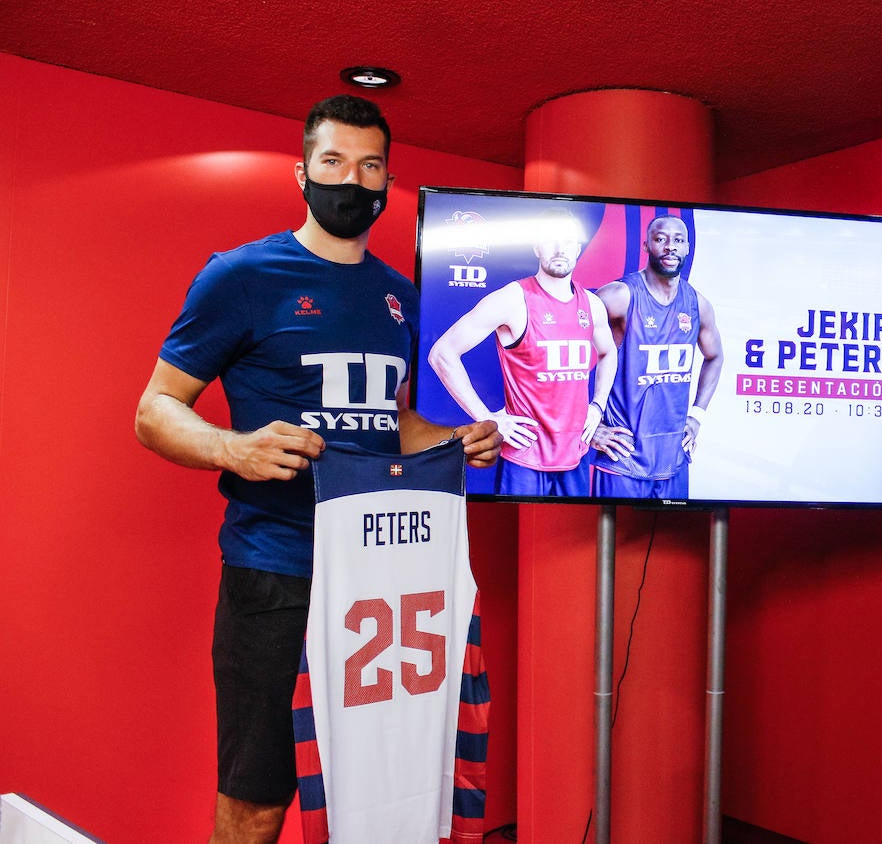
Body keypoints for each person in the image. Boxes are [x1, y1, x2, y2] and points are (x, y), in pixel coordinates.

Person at [133, 95, 500, 844]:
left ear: (387, 182)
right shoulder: (241, 276)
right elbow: (155, 410)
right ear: (302, 173)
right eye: (333, 162)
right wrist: (231, 446)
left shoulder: (403, 297)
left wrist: (454, 440)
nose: (351, 180)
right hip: (277, 569)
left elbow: (395, 422)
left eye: (369, 165)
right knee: (259, 792)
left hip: (384, 580)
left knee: (377, 787)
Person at [428, 207, 617, 496]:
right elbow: (442, 353)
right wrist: (487, 417)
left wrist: (598, 405)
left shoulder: (591, 305)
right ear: (537, 247)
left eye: (568, 241)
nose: (559, 248)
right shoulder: (513, 299)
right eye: (550, 240)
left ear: (578, 248)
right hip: (525, 460)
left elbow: (608, 353)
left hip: (575, 456)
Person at [589, 214, 724, 499]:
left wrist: (697, 415)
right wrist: (589, 425)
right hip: (622, 461)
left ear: (687, 247)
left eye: (678, 240)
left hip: (673, 460)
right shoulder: (619, 296)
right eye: (661, 239)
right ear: (646, 245)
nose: (670, 247)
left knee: (673, 541)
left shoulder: (698, 304)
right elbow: (565, 360)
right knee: (610, 541)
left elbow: (714, 357)